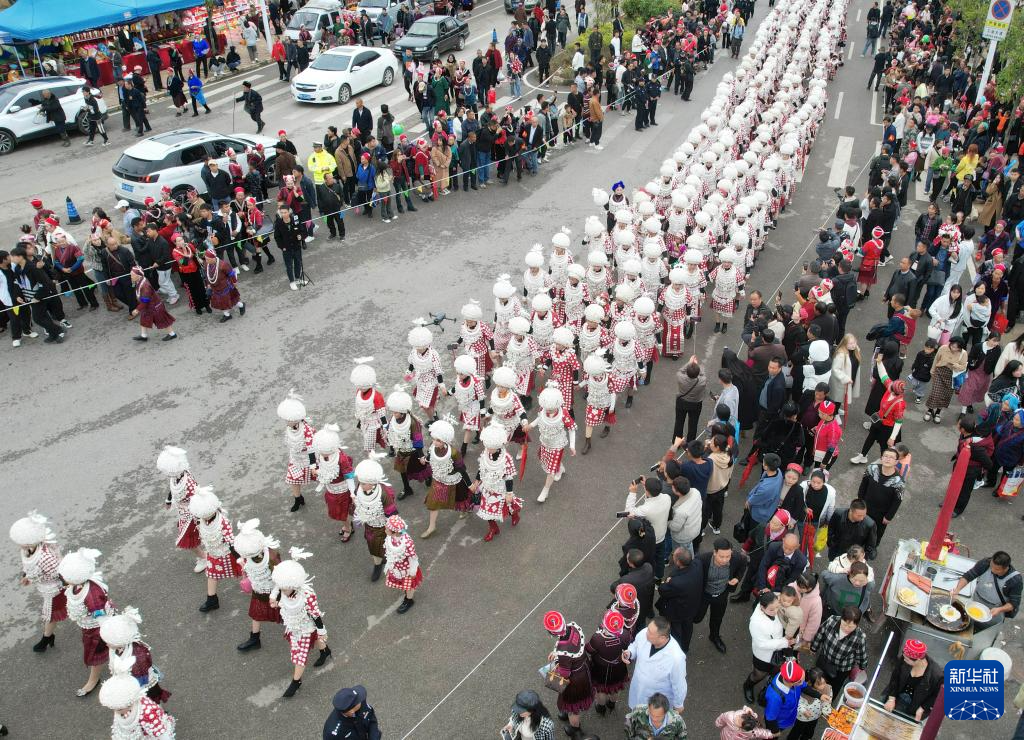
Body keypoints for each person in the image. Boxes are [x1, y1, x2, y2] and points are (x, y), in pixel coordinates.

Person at [9, 511, 66, 653]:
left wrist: (32, 577)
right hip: (48, 587)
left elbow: (59, 575)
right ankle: (48, 637)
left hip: (57, 588)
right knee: (51, 614)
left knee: (51, 615)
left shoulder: (46, 557)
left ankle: (46, 638)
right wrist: (27, 575)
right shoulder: (31, 548)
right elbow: (29, 565)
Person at [58, 548, 112, 696]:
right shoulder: (77, 584)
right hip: (89, 628)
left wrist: (108, 634)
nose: (62, 578)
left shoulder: (92, 594)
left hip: (97, 630)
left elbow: (101, 617)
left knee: (96, 651)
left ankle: (93, 680)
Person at [542, 610, 593, 737]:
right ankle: (567, 713)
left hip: (575, 679)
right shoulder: (573, 627)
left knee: (573, 709)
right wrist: (556, 653)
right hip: (582, 667)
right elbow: (567, 646)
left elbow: (564, 673)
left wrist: (554, 669)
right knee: (570, 704)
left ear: (552, 632)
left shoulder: (563, 651)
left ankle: (575, 730)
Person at [622, 617, 687, 713]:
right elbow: (635, 645)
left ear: (662, 638)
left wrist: (678, 704)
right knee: (636, 716)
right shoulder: (645, 633)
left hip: (657, 702)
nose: (646, 633)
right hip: (638, 690)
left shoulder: (676, 658)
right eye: (648, 629)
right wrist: (629, 653)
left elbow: (679, 684)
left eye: (650, 633)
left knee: (652, 724)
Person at [694, 538, 747, 654]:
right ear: (714, 552)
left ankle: (714, 636)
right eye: (721, 556)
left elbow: (743, 565)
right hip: (704, 594)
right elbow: (690, 573)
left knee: (717, 618)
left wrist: (737, 578)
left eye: (728, 556)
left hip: (722, 594)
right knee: (696, 618)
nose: (725, 560)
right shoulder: (702, 560)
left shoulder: (737, 558)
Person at [950, 551, 1021, 632]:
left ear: (1006, 568)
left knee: (983, 633)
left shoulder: (1015, 580)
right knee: (966, 626)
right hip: (975, 603)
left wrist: (1000, 609)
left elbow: (1013, 604)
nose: (993, 570)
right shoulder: (985, 563)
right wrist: (957, 590)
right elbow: (968, 576)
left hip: (994, 611)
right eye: (992, 566)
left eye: (997, 569)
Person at [743, 592, 792, 703]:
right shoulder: (756, 623)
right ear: (762, 608)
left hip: (778, 651)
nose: (775, 612)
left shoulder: (774, 602)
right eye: (771, 610)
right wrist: (784, 643)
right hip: (763, 656)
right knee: (758, 674)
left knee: (775, 671)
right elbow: (762, 644)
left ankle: (766, 690)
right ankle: (747, 685)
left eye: (777, 607)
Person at [809, 606, 868, 698]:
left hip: (841, 669)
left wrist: (862, 666)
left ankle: (829, 702)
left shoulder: (860, 638)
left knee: (834, 687)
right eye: (844, 624)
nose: (847, 628)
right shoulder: (831, 621)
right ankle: (814, 697)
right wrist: (814, 647)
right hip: (824, 659)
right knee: (818, 681)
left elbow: (861, 655)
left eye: (851, 626)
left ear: (857, 625)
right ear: (841, 618)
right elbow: (820, 633)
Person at [880, 640, 942, 721]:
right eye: (904, 657)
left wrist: (922, 709)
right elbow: (895, 678)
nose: (904, 660)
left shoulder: (936, 675)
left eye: (907, 660)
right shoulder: (904, 657)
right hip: (896, 693)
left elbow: (936, 695)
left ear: (919, 660)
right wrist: (891, 699)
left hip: (915, 704)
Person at [656, 547, 704, 652]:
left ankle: (677, 650)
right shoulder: (697, 565)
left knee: (676, 631)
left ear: (678, 561)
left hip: (678, 611)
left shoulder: (676, 583)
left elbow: (662, 590)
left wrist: (667, 582)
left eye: (673, 555)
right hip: (692, 607)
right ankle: (685, 648)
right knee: (688, 628)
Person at [98, 674, 175, 739]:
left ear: (130, 703)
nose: (116, 712)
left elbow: (161, 733)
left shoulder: (147, 711)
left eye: (119, 709)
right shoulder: (123, 707)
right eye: (113, 708)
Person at [625, 477, 673, 579]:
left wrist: (633, 493)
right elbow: (651, 498)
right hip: (662, 535)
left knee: (649, 559)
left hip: (650, 539)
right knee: (660, 559)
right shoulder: (667, 498)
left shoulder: (645, 510)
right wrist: (647, 487)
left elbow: (628, 512)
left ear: (647, 491)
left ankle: (647, 576)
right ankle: (659, 578)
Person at [856, 448, 904, 543]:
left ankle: (871, 548)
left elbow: (897, 500)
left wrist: (889, 516)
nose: (887, 459)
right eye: (885, 456)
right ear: (881, 458)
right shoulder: (871, 469)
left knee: (876, 534)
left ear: (896, 461)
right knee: (859, 528)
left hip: (881, 514)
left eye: (891, 457)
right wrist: (860, 503)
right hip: (865, 507)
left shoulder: (899, 481)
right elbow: (863, 487)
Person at [788, 668, 834, 740]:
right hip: (802, 717)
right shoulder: (803, 693)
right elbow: (797, 704)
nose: (823, 686)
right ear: (810, 683)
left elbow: (827, 702)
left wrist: (826, 710)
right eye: (819, 684)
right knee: (796, 731)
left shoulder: (827, 688)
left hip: (815, 716)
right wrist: (803, 711)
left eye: (824, 682)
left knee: (810, 731)